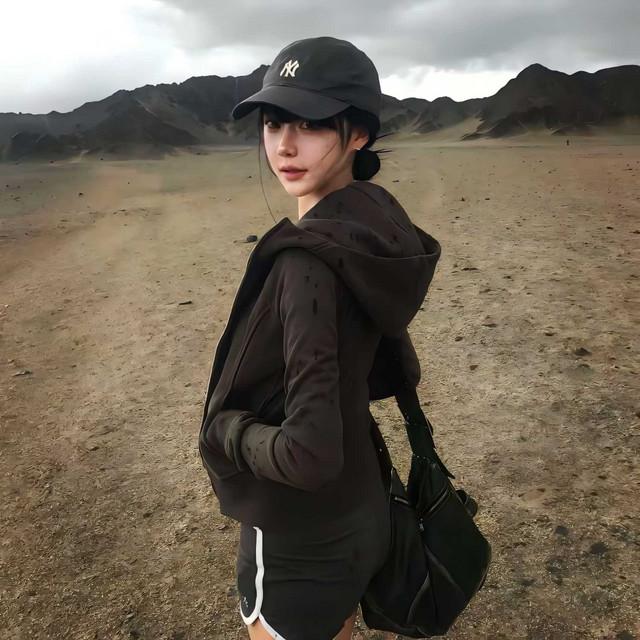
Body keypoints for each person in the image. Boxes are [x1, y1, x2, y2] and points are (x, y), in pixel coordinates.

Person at [198, 36, 441, 640]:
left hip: (299, 538)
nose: (284, 145)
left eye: (310, 124)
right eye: (273, 122)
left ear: (358, 134)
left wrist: (225, 429)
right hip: (363, 506)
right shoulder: (374, 223)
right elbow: (394, 370)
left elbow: (306, 456)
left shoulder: (306, 262)